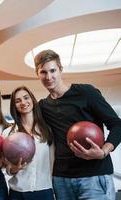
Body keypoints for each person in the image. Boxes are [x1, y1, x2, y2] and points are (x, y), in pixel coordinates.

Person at [34, 49, 121, 200]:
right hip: (61, 179)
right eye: (43, 72)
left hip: (94, 175)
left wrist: (104, 151)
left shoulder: (86, 92)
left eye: (53, 70)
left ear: (61, 69)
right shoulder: (42, 106)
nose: (49, 77)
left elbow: (116, 125)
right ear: (37, 74)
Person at [3, 86, 54, 200]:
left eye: (26, 98)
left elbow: (52, 159)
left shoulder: (47, 130)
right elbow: (7, 166)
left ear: (32, 100)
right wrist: (14, 169)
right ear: (14, 106)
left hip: (44, 190)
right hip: (18, 192)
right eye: (18, 100)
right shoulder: (8, 133)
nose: (23, 102)